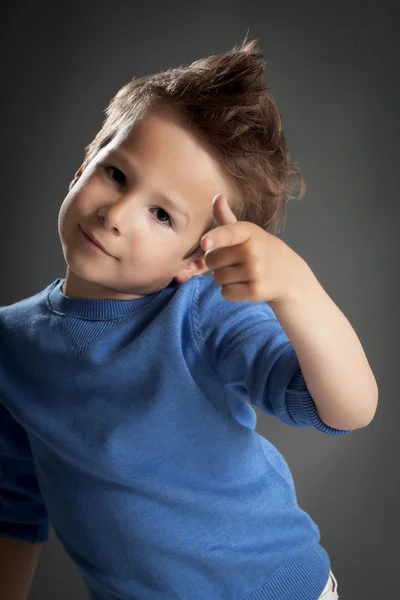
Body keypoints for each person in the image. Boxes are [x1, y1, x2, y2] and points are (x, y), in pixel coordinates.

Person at [0, 34, 378, 600]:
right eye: (117, 175)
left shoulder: (202, 314)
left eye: (161, 215)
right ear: (84, 164)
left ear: (196, 261)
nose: (118, 215)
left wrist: (298, 290)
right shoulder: (11, 345)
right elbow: (13, 504)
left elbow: (348, 409)